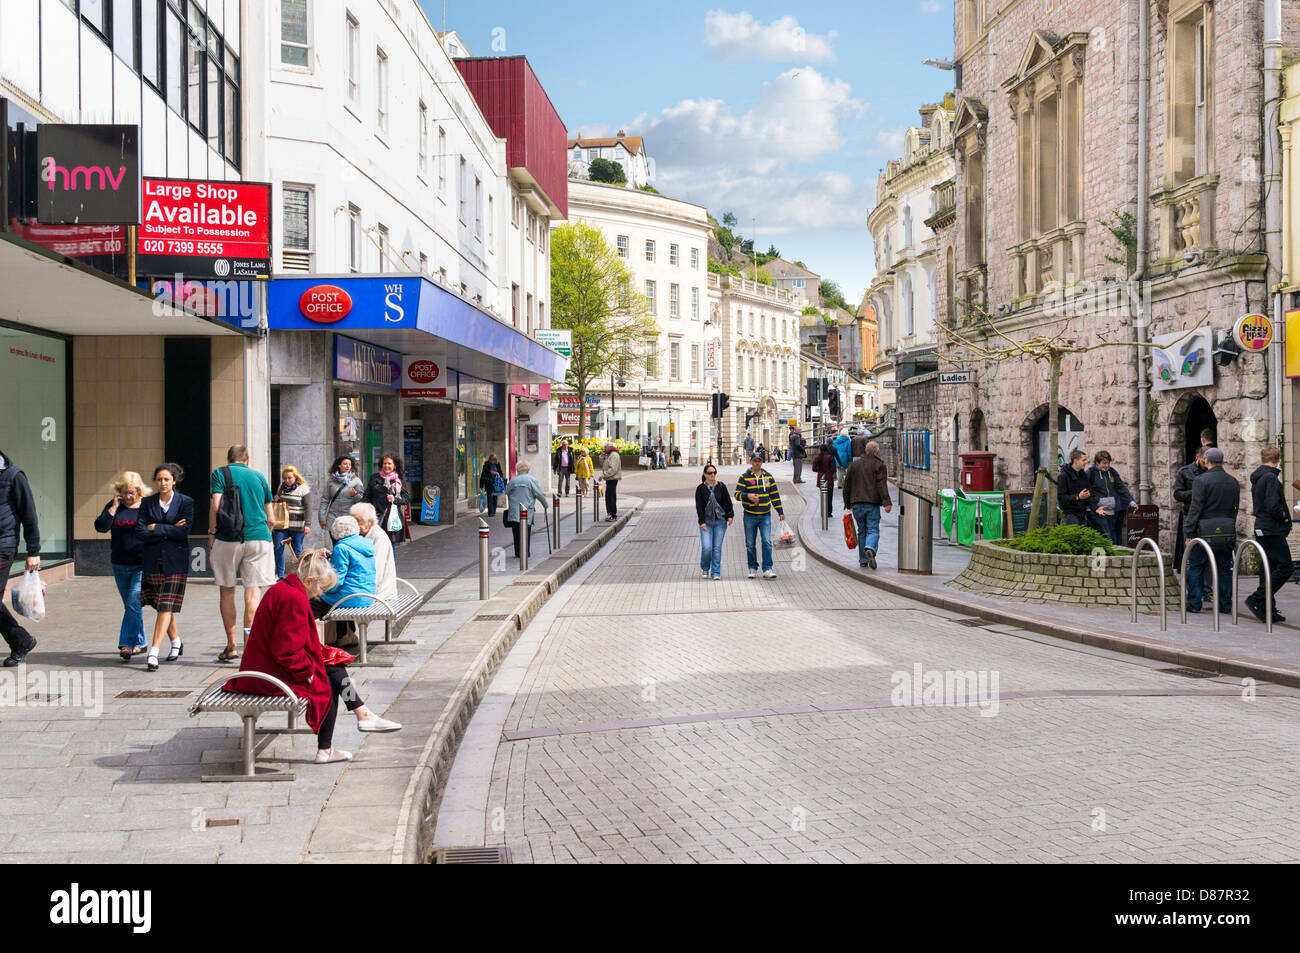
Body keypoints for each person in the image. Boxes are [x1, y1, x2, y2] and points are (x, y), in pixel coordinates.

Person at [227, 548, 400, 765]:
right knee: (327, 680)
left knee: (332, 668)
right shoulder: (293, 598)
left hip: (263, 667)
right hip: (266, 676)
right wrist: (307, 673)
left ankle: (355, 720)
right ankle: (345, 730)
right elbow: (285, 650)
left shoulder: (284, 589)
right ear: (309, 580)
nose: (320, 594)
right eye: (321, 587)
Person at [209, 446, 276, 663]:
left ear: (228, 459)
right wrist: (266, 533)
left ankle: (231, 645)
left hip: (228, 538)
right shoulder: (258, 476)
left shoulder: (220, 473)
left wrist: (212, 532)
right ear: (248, 460)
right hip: (259, 537)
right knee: (253, 592)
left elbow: (217, 506)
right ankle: (249, 647)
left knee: (227, 590)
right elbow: (272, 518)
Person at [136, 463, 194, 672]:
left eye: (166, 479)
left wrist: (156, 527)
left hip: (175, 562)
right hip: (153, 560)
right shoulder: (147, 503)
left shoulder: (186, 502)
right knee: (161, 605)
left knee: (166, 605)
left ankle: (153, 652)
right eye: (159, 479)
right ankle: (176, 641)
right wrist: (169, 529)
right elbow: (140, 532)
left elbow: (184, 531)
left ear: (174, 481)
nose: (162, 483)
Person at [95, 471, 149, 660]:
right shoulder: (114, 507)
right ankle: (141, 642)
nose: (127, 497)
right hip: (119, 564)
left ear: (139, 491)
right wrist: (113, 507)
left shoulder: (147, 507)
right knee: (131, 606)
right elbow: (100, 527)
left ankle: (126, 643)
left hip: (141, 565)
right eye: (124, 492)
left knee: (134, 602)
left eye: (131, 493)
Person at [1184, 447, 1238, 616]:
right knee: (1224, 568)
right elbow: (1235, 508)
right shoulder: (1233, 481)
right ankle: (1225, 604)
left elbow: (1196, 507)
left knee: (1197, 566)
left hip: (1204, 530)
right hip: (1226, 530)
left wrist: (1189, 532)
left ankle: (1194, 603)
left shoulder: (1201, 481)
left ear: (1206, 460)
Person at [0, 449, 40, 667]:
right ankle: (21, 640)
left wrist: (33, 550)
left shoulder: (14, 476)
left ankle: (20, 640)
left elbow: (29, 514)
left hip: (3, 544)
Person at [312, 515, 376, 647]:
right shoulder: (366, 544)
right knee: (339, 596)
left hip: (352, 597)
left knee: (314, 601)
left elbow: (336, 581)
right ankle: (345, 635)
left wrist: (322, 588)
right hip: (367, 594)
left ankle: (315, 641)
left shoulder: (341, 548)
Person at [1246, 445, 1293, 623]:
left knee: (1269, 568)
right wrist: (1283, 516)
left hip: (1262, 527)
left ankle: (1268, 609)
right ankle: (1257, 598)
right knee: (1285, 567)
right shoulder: (1271, 478)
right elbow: (1272, 505)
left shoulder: (1258, 477)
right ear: (1278, 459)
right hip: (1272, 528)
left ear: (1262, 459)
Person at [734, 452, 786, 579]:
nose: (757, 462)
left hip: (765, 515)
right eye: (755, 460)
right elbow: (737, 494)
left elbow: (774, 495)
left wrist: (780, 512)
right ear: (751, 461)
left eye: (759, 460)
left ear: (761, 462)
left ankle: (767, 568)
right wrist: (748, 496)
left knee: (766, 541)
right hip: (750, 516)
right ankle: (752, 568)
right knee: (750, 544)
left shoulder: (768, 477)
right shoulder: (744, 477)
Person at [843, 440, 893, 570]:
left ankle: (863, 560)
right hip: (872, 503)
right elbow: (881, 485)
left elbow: (846, 485)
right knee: (873, 529)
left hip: (856, 503)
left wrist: (847, 503)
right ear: (877, 452)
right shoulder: (879, 465)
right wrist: (887, 502)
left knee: (862, 531)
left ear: (865, 451)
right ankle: (870, 548)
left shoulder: (854, 465)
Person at [1085, 451, 1135, 546]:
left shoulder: (1111, 472)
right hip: (1097, 510)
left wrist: (1131, 501)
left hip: (1111, 509)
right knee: (1104, 535)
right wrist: (1094, 505)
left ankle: (1115, 554)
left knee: (1112, 534)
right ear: (1097, 463)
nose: (1107, 465)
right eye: (1104, 463)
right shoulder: (1090, 473)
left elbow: (1121, 487)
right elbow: (1087, 492)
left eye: (1108, 463)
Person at [351, 502, 397, 602]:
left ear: (369, 521)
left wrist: (364, 591)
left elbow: (377, 570)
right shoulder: (359, 535)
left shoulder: (379, 537)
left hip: (378, 592)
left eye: (358, 521)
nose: (355, 525)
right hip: (363, 588)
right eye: (353, 521)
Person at [695, 463, 735, 579]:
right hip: (706, 522)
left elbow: (728, 502)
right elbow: (699, 507)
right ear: (705, 474)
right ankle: (705, 568)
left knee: (716, 548)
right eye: (710, 473)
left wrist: (730, 515)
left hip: (720, 522)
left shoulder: (721, 486)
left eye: (714, 472)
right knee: (707, 547)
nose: (712, 475)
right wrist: (701, 522)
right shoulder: (700, 488)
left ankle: (716, 572)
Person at [273, 465, 312, 580]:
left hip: (298, 525)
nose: (287, 480)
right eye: (285, 478)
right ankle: (280, 575)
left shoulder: (303, 489)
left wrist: (307, 524)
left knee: (297, 551)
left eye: (289, 478)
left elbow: (308, 507)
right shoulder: (282, 487)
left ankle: (299, 575)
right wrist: (276, 497)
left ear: (295, 477)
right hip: (282, 524)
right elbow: (277, 499)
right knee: (278, 548)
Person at [503, 460, 549, 557]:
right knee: (526, 532)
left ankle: (518, 552)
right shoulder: (532, 480)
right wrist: (545, 505)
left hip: (514, 512)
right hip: (527, 511)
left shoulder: (513, 480)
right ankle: (525, 552)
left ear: (517, 469)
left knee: (516, 532)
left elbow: (507, 492)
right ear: (528, 469)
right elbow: (539, 494)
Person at [1173, 446, 1208, 573]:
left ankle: (1207, 590)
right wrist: (1195, 493)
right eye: (1205, 460)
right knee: (1192, 553)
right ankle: (1192, 590)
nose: (1207, 463)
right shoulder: (1185, 472)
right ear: (1198, 457)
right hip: (1190, 515)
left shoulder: (1211, 471)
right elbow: (1177, 494)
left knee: (1207, 555)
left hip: (1207, 516)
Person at [364, 454, 409, 548]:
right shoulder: (374, 477)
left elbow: (406, 499)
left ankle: (390, 563)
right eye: (385, 463)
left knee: (390, 545)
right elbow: (367, 496)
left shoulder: (399, 480)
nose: (387, 466)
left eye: (389, 463)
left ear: (394, 466)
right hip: (375, 516)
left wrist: (395, 499)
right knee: (374, 543)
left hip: (392, 517)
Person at [1057, 449, 1105, 532]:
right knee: (1073, 541)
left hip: (1082, 514)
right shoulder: (1063, 476)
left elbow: (1088, 495)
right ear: (1075, 461)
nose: (1086, 462)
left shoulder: (1083, 475)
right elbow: (1062, 498)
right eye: (1083, 460)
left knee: (1082, 542)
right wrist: (1077, 497)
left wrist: (1096, 508)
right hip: (1070, 516)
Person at [319, 456, 365, 539]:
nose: (347, 466)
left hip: (349, 519)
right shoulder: (331, 480)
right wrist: (322, 517)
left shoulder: (356, 481)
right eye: (345, 464)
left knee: (348, 545)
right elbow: (325, 500)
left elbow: (362, 502)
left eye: (349, 464)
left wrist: (355, 495)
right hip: (333, 518)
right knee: (336, 545)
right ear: (339, 465)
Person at [812, 442, 838, 517]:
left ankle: (823, 512)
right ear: (827, 449)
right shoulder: (830, 457)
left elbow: (814, 469)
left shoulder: (817, 458)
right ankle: (829, 512)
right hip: (829, 479)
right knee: (829, 497)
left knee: (823, 496)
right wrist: (829, 471)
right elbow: (833, 469)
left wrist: (820, 471)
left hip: (821, 479)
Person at [601, 442, 622, 521]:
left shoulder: (614, 455)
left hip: (612, 478)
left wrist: (604, 475)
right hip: (609, 478)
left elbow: (613, 469)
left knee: (611, 497)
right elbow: (602, 464)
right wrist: (602, 455)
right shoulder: (608, 455)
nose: (604, 449)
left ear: (610, 447)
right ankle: (610, 513)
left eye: (605, 447)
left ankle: (612, 514)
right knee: (609, 496)